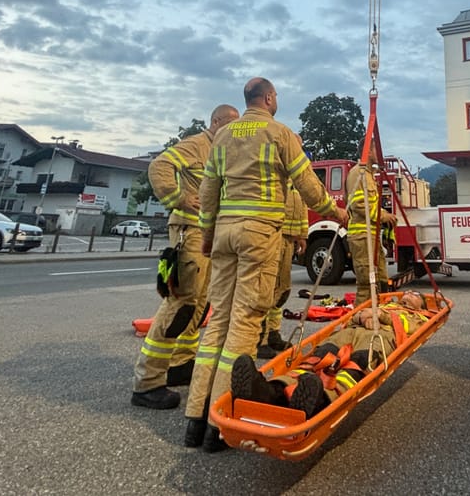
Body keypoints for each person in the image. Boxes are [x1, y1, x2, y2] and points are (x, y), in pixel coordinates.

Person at [183, 77, 349, 453]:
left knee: (217, 325)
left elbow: (209, 191)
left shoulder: (222, 136)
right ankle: (218, 425)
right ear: (270, 98)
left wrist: (207, 233)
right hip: (258, 235)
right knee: (244, 324)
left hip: (223, 233)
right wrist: (334, 212)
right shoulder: (279, 133)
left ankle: (195, 418)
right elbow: (307, 184)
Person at [132, 104, 240, 410]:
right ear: (216, 121)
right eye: (229, 125)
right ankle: (148, 382)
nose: (233, 132)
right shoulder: (196, 144)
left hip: (206, 234)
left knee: (199, 302)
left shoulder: (220, 151)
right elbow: (159, 167)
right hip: (188, 232)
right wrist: (178, 198)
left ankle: (180, 364)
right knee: (179, 303)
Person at [229, 291, 432, 418]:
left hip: (381, 337)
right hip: (353, 331)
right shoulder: (384, 305)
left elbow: (411, 328)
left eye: (415, 294)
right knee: (319, 356)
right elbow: (354, 317)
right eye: (409, 291)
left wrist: (380, 316)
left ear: (420, 306)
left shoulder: (419, 316)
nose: (409, 293)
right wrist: (363, 316)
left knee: (358, 363)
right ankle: (269, 390)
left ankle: (323, 398)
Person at [258, 184, 308, 359]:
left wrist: (302, 234)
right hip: (274, 235)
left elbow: (302, 206)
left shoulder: (294, 182)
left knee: (281, 290)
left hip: (289, 238)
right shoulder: (276, 176)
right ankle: (260, 340)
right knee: (267, 289)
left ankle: (273, 333)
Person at [345, 162, 396, 307]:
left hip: (371, 236)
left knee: (381, 279)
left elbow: (372, 205)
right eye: (375, 147)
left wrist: (386, 215)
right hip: (361, 236)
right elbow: (359, 204)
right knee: (367, 284)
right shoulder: (357, 173)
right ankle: (360, 320)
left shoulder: (368, 175)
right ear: (369, 150)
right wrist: (382, 217)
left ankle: (380, 313)